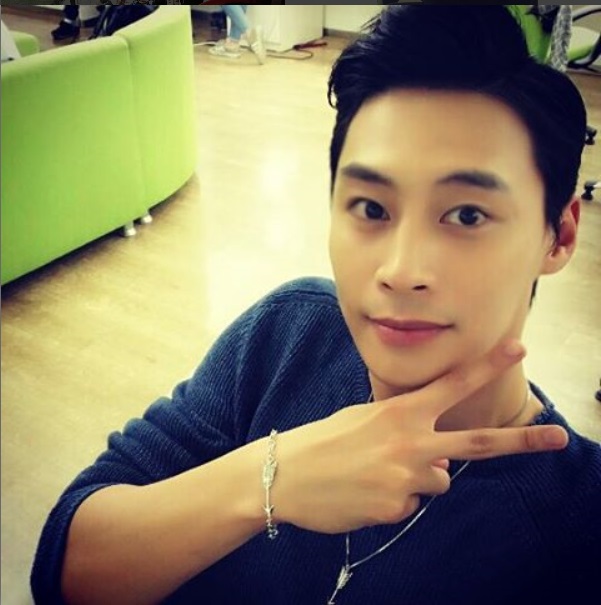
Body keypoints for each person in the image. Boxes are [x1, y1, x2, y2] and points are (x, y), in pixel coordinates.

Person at [31, 5, 601, 605]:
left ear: (559, 236)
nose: (400, 270)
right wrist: (273, 478)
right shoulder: (289, 333)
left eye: (466, 215)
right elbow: (66, 572)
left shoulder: (580, 520)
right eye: (371, 208)